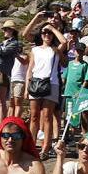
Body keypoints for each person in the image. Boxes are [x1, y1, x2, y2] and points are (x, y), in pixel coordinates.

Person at [24, 24, 63, 158]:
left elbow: (64, 41)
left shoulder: (56, 49)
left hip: (51, 83)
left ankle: (45, 148)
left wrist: (52, 28)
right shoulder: (35, 50)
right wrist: (26, 87)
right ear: (40, 35)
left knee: (47, 116)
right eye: (44, 33)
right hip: (35, 82)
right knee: (34, 116)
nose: (47, 35)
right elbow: (30, 68)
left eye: (49, 33)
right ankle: (31, 145)